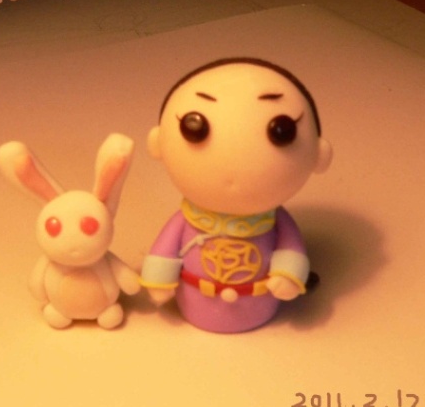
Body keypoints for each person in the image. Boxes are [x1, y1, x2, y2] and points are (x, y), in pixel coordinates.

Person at [140, 57, 333, 333]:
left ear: (319, 155)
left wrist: (289, 274)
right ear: (158, 143)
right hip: (196, 298)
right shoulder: (187, 219)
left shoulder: (275, 221)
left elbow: (291, 248)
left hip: (257, 302)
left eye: (281, 130)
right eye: (195, 127)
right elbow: (164, 249)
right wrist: (159, 278)